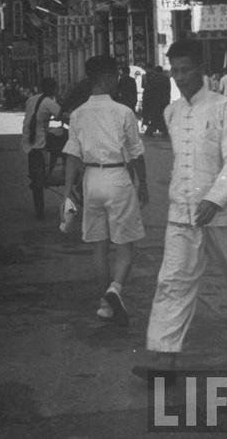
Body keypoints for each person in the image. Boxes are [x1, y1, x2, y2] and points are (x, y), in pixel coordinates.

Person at [134, 41, 227, 379]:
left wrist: (215, 198)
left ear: (200, 67)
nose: (180, 77)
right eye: (175, 71)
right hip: (181, 213)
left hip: (221, 211)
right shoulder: (172, 112)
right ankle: (164, 359)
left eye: (186, 69)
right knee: (173, 281)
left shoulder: (224, 107)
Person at [62, 56, 148, 325]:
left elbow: (72, 157)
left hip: (91, 180)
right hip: (117, 177)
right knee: (125, 246)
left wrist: (67, 193)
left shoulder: (77, 114)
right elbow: (136, 153)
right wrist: (143, 184)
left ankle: (105, 304)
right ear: (110, 78)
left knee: (99, 247)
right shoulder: (123, 112)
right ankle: (115, 289)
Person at [22, 78, 61, 219]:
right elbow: (61, 115)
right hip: (39, 140)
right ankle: (52, 170)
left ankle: (39, 208)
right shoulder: (49, 102)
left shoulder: (31, 100)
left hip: (28, 141)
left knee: (35, 174)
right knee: (62, 140)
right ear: (53, 89)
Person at [143, 65, 171, 137]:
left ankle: (150, 131)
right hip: (164, 102)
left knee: (156, 118)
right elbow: (168, 91)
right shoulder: (166, 79)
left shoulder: (153, 79)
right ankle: (164, 132)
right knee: (161, 118)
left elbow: (150, 91)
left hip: (155, 102)